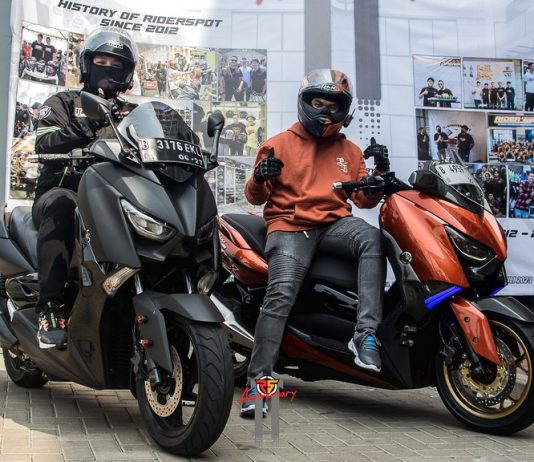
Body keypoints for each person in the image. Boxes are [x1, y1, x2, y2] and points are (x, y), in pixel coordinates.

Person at [240, 69, 388, 417]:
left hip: (335, 225)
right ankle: (258, 386)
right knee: (279, 296)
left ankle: (365, 334)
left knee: (372, 238)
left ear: (344, 110)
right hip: (290, 227)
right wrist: (259, 177)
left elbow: (364, 200)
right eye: (318, 103)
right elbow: (255, 196)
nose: (325, 111)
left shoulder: (350, 150)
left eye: (333, 106)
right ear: (305, 102)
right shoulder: (279, 143)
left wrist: (379, 172)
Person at [33, 28, 138, 349]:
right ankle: (50, 308)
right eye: (101, 62)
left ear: (127, 73)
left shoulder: (132, 113)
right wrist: (87, 124)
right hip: (64, 193)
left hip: (114, 200)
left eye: (116, 65)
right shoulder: (63, 102)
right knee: (63, 205)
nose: (108, 69)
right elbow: (44, 142)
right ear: (86, 65)